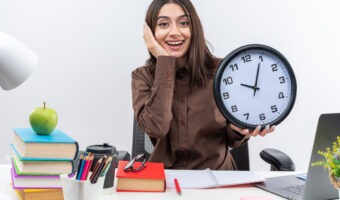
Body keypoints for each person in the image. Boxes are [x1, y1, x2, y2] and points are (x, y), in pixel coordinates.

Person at [131, 0, 275, 170]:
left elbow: (232, 141)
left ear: (195, 29)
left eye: (184, 23)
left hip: (218, 178)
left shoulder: (223, 72)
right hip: (165, 180)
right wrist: (165, 64)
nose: (175, 32)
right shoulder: (143, 76)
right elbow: (157, 128)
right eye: (163, 24)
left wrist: (240, 129)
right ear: (151, 33)